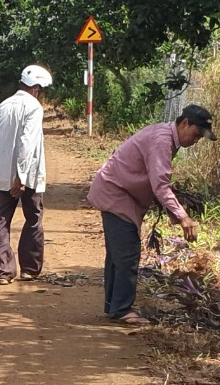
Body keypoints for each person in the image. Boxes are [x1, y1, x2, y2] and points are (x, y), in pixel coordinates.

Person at [84, 103, 212, 326]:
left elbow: (156, 183)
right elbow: (160, 185)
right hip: (116, 193)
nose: (196, 140)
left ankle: (114, 305)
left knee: (117, 254)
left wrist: (172, 211)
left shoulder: (165, 136)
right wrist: (183, 217)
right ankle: (122, 308)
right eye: (196, 133)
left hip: (119, 192)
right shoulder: (162, 141)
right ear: (185, 123)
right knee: (127, 254)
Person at [0, 63, 52, 282]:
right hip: (26, 175)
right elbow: (26, 143)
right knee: (33, 218)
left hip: (1, 173)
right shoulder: (34, 107)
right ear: (37, 89)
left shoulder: (4, 104)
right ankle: (29, 268)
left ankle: (4, 271)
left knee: (2, 221)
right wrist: (20, 177)